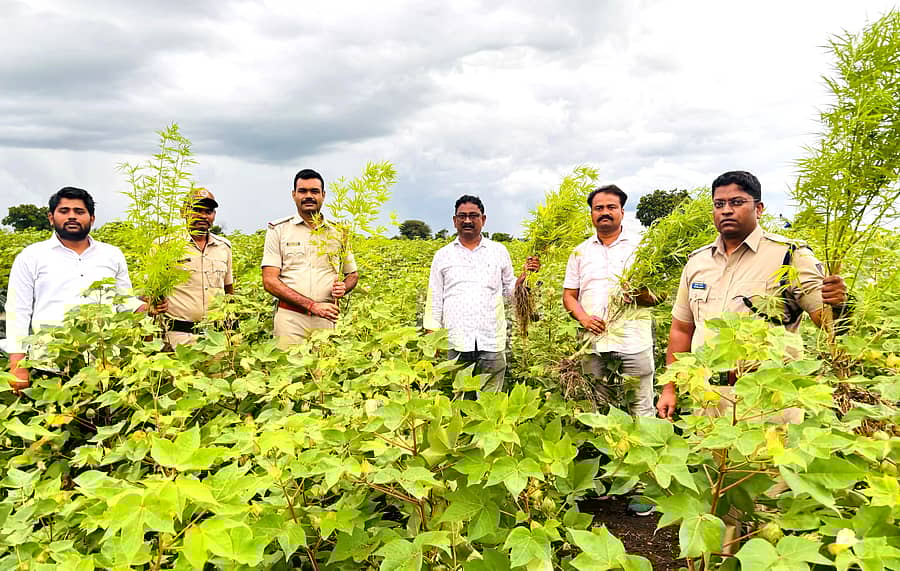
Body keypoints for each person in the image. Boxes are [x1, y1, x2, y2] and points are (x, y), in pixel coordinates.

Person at [656, 170, 848, 420]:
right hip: (708, 395)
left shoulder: (789, 256)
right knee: (709, 458)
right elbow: (682, 329)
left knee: (768, 458)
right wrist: (669, 387)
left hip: (769, 396)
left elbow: (828, 324)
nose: (726, 210)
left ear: (759, 208)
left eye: (736, 202)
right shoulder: (697, 262)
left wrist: (840, 303)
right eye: (719, 204)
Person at [5, 187, 146, 394]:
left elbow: (123, 302)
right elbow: (18, 312)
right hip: (50, 364)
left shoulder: (112, 255)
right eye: (64, 211)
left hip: (104, 363)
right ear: (51, 217)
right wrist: (17, 366)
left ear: (92, 218)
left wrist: (146, 306)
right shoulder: (32, 256)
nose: (72, 216)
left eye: (79, 211)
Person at [424, 195, 539, 394]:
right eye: (462, 216)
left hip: (491, 338)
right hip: (456, 338)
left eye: (473, 216)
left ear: (483, 219)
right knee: (460, 398)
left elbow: (509, 291)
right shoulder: (442, 255)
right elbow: (435, 296)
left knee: (491, 399)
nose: (467, 220)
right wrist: (432, 336)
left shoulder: (498, 251)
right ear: (454, 220)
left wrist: (522, 280)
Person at [562, 184, 657, 418]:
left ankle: (645, 452)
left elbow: (660, 295)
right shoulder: (580, 252)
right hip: (594, 344)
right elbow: (569, 296)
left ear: (622, 212)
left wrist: (640, 296)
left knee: (641, 410)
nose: (604, 212)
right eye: (598, 208)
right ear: (592, 214)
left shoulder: (643, 248)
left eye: (611, 207)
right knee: (600, 410)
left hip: (634, 342)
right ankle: (606, 454)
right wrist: (583, 319)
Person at [261, 169, 358, 346]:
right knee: (289, 371)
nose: (308, 196)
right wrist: (311, 306)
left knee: (324, 372)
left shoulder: (339, 232)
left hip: (327, 318)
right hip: (290, 320)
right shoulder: (279, 230)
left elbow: (352, 275)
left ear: (323, 195)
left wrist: (345, 287)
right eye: (303, 191)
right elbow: (269, 281)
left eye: (314, 191)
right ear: (294, 195)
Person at [160, 188, 234, 347]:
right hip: (178, 338)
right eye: (196, 210)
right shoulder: (164, 246)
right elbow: (150, 294)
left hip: (217, 339)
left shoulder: (224, 247)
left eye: (208, 211)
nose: (203, 216)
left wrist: (232, 329)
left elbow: (228, 291)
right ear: (183, 212)